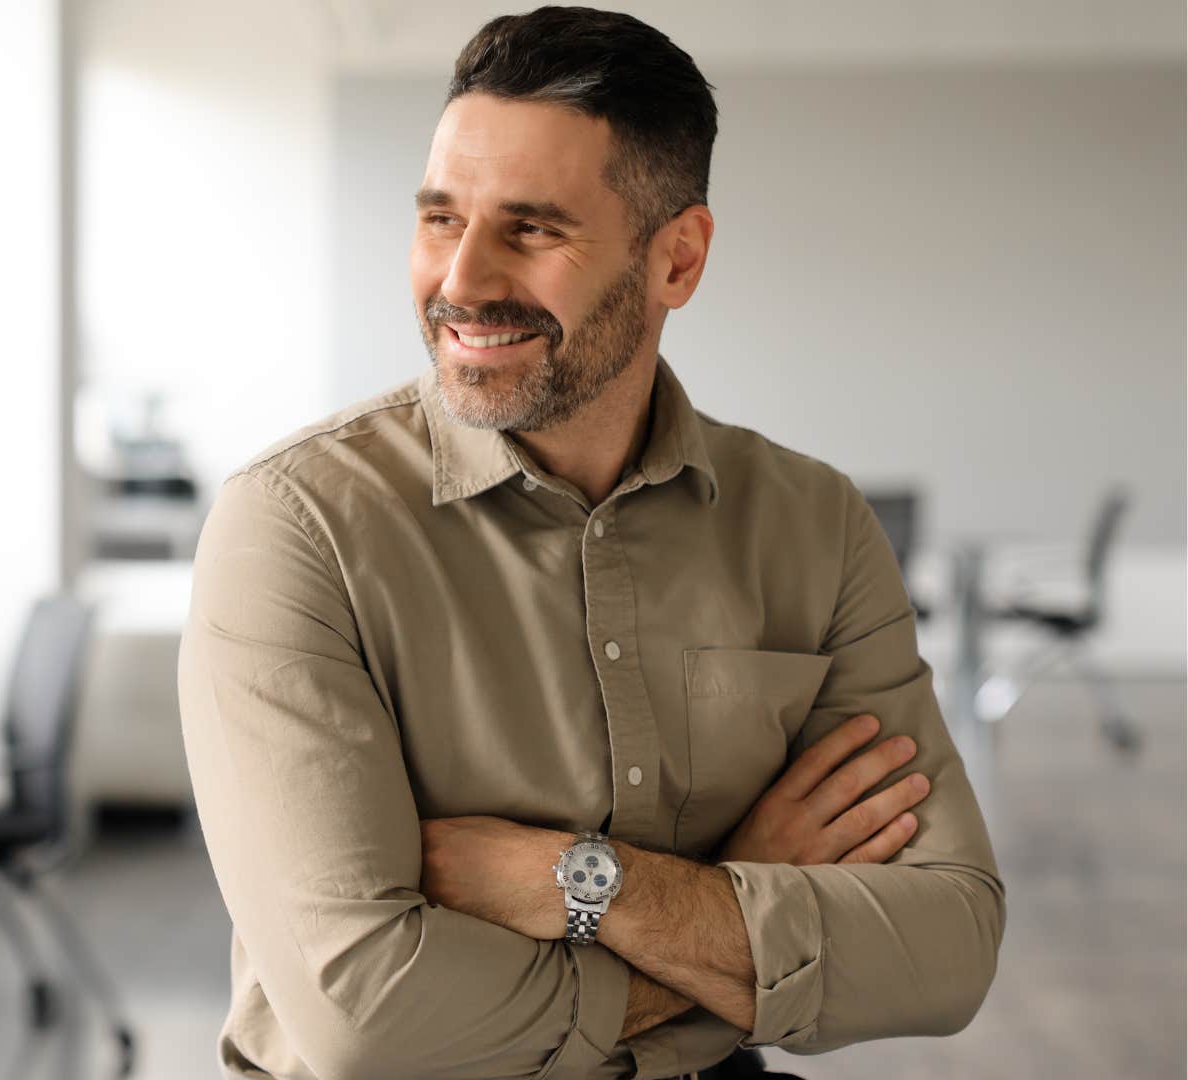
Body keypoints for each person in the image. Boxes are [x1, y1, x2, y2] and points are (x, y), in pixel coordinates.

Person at [176, 7, 1005, 1079]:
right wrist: (738, 904)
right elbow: (370, 1024)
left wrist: (581, 881)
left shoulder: (813, 523)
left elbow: (946, 951)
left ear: (678, 259)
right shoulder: (297, 527)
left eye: (531, 229)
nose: (461, 282)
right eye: (440, 219)